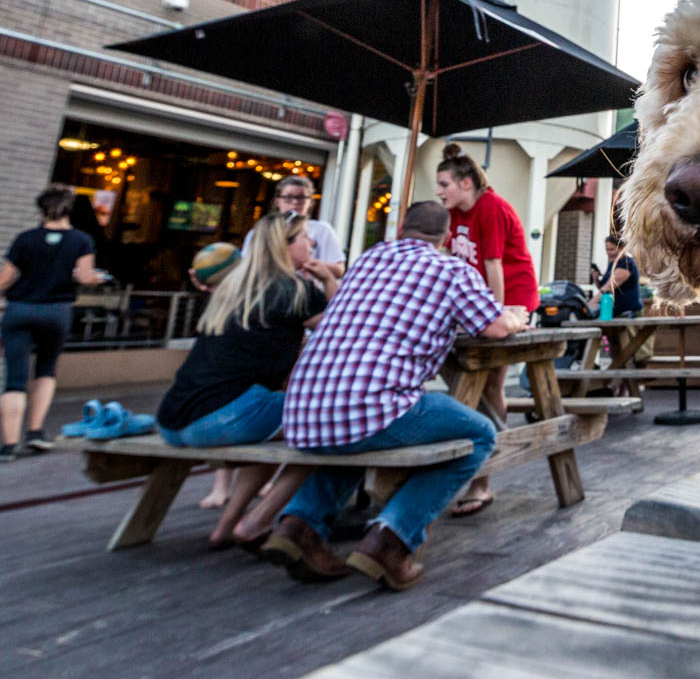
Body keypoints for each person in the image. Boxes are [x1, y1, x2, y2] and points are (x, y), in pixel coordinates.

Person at [260, 201, 529, 588]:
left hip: (303, 407)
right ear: (446, 237)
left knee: (359, 433)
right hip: (369, 404)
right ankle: (390, 539)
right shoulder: (451, 269)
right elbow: (496, 327)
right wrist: (517, 316)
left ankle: (298, 525)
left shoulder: (368, 261)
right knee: (479, 434)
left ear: (401, 229)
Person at [156, 211, 338, 549]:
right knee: (329, 425)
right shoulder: (295, 290)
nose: (312, 242)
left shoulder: (232, 288)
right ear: (285, 245)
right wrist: (328, 280)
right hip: (221, 419)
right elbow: (344, 332)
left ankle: (227, 527)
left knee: (270, 423)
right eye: (304, 237)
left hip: (173, 418)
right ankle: (258, 521)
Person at [199, 173, 348, 509]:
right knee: (268, 399)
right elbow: (244, 269)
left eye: (302, 197)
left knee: (280, 396)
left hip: (297, 324)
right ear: (277, 200)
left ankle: (262, 477)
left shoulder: (320, 232)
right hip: (269, 323)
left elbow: (338, 269)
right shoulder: (262, 236)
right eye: (289, 197)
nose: (296, 202)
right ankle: (225, 486)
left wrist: (317, 268)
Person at [433, 143, 539, 517]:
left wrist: (493, 316)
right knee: (464, 375)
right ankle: (478, 458)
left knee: (490, 382)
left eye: (444, 184)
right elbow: (450, 259)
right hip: (478, 303)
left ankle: (483, 479)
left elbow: (494, 265)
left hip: (510, 299)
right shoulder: (454, 214)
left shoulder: (491, 208)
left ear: (465, 184)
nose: (439, 191)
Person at [0, 183, 102, 462]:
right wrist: (96, 278)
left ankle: (9, 446)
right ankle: (35, 432)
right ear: (69, 210)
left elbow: (3, 280)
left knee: (14, 379)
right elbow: (85, 277)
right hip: (56, 312)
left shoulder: (25, 239)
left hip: (19, 311)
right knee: (45, 369)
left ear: (40, 210)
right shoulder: (81, 240)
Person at [589, 233, 643, 318]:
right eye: (607, 249)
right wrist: (596, 279)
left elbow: (608, 287)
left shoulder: (627, 264)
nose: (608, 253)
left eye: (612, 249)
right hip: (613, 310)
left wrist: (591, 303)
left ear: (622, 248)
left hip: (628, 312)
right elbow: (603, 287)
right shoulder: (613, 263)